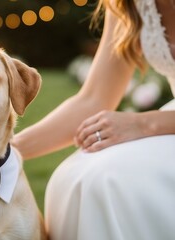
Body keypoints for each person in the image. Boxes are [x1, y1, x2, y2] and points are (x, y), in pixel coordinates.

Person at [12, 0, 175, 239]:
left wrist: (144, 124)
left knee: (109, 182)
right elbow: (94, 99)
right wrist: (3, 152)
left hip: (164, 124)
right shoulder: (129, 5)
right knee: (71, 178)